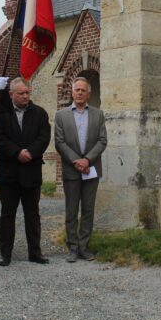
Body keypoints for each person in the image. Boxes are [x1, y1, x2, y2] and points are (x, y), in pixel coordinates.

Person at [0, 77, 51, 266]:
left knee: (32, 214)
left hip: (31, 172)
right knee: (7, 214)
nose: (25, 96)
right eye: (21, 93)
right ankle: (5, 253)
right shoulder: (1, 114)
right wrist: (17, 152)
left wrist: (31, 153)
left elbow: (44, 137)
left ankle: (35, 252)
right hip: (9, 173)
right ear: (11, 94)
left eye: (27, 93)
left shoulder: (39, 113)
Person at [54, 76, 108, 263]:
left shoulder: (98, 114)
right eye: (76, 89)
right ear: (72, 92)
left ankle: (84, 247)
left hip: (91, 168)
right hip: (71, 169)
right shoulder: (61, 116)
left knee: (88, 209)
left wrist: (87, 160)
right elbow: (59, 142)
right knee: (71, 210)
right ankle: (72, 247)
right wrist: (77, 161)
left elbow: (102, 140)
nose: (79, 93)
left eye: (83, 90)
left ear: (88, 93)